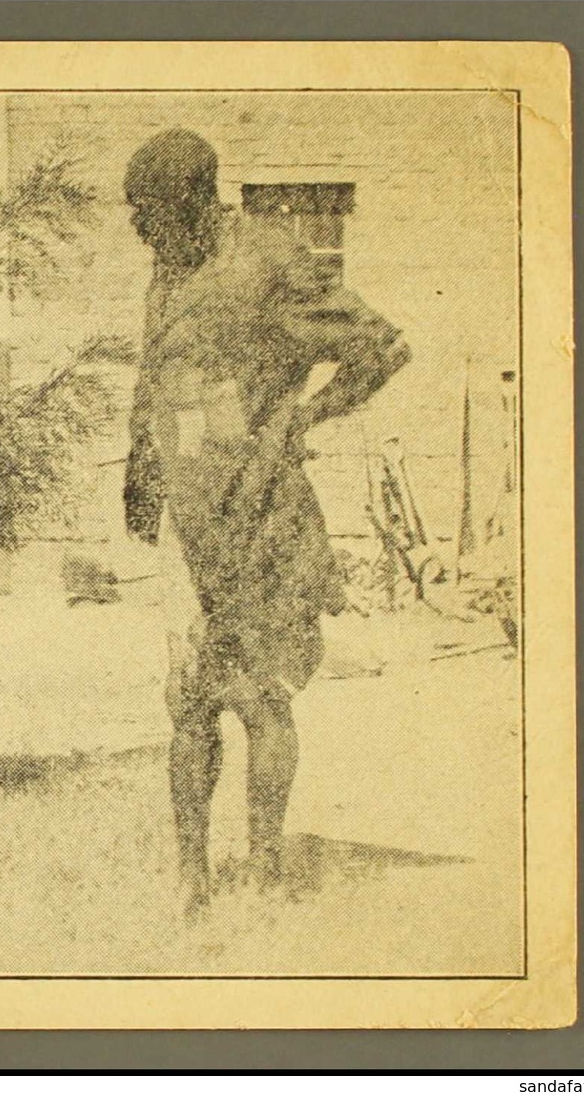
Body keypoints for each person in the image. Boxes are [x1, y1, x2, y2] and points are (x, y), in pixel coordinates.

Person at [120, 129, 413, 917]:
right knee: (186, 698)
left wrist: (300, 419)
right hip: (186, 516)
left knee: (260, 697)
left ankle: (266, 862)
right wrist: (138, 473)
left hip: (258, 509)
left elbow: (380, 348)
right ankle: (192, 878)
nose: (137, 229)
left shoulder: (267, 259)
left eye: (147, 212)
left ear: (191, 200)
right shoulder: (169, 264)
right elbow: (157, 377)